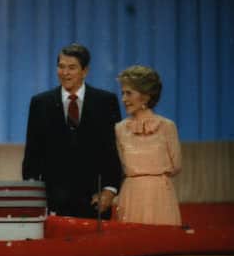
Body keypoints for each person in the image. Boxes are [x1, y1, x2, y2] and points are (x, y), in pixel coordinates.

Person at [22, 43, 122, 218]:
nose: (65, 73)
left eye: (71, 68)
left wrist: (110, 190)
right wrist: (33, 195)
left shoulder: (106, 102)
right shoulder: (40, 103)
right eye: (61, 67)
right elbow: (32, 154)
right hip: (53, 201)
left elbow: (114, 151)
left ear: (85, 71)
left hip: (95, 200)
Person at [115, 65, 182, 225]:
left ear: (145, 97)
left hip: (160, 196)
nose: (123, 99)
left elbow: (176, 165)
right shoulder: (119, 129)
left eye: (129, 93)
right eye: (123, 93)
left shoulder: (167, 126)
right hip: (131, 196)